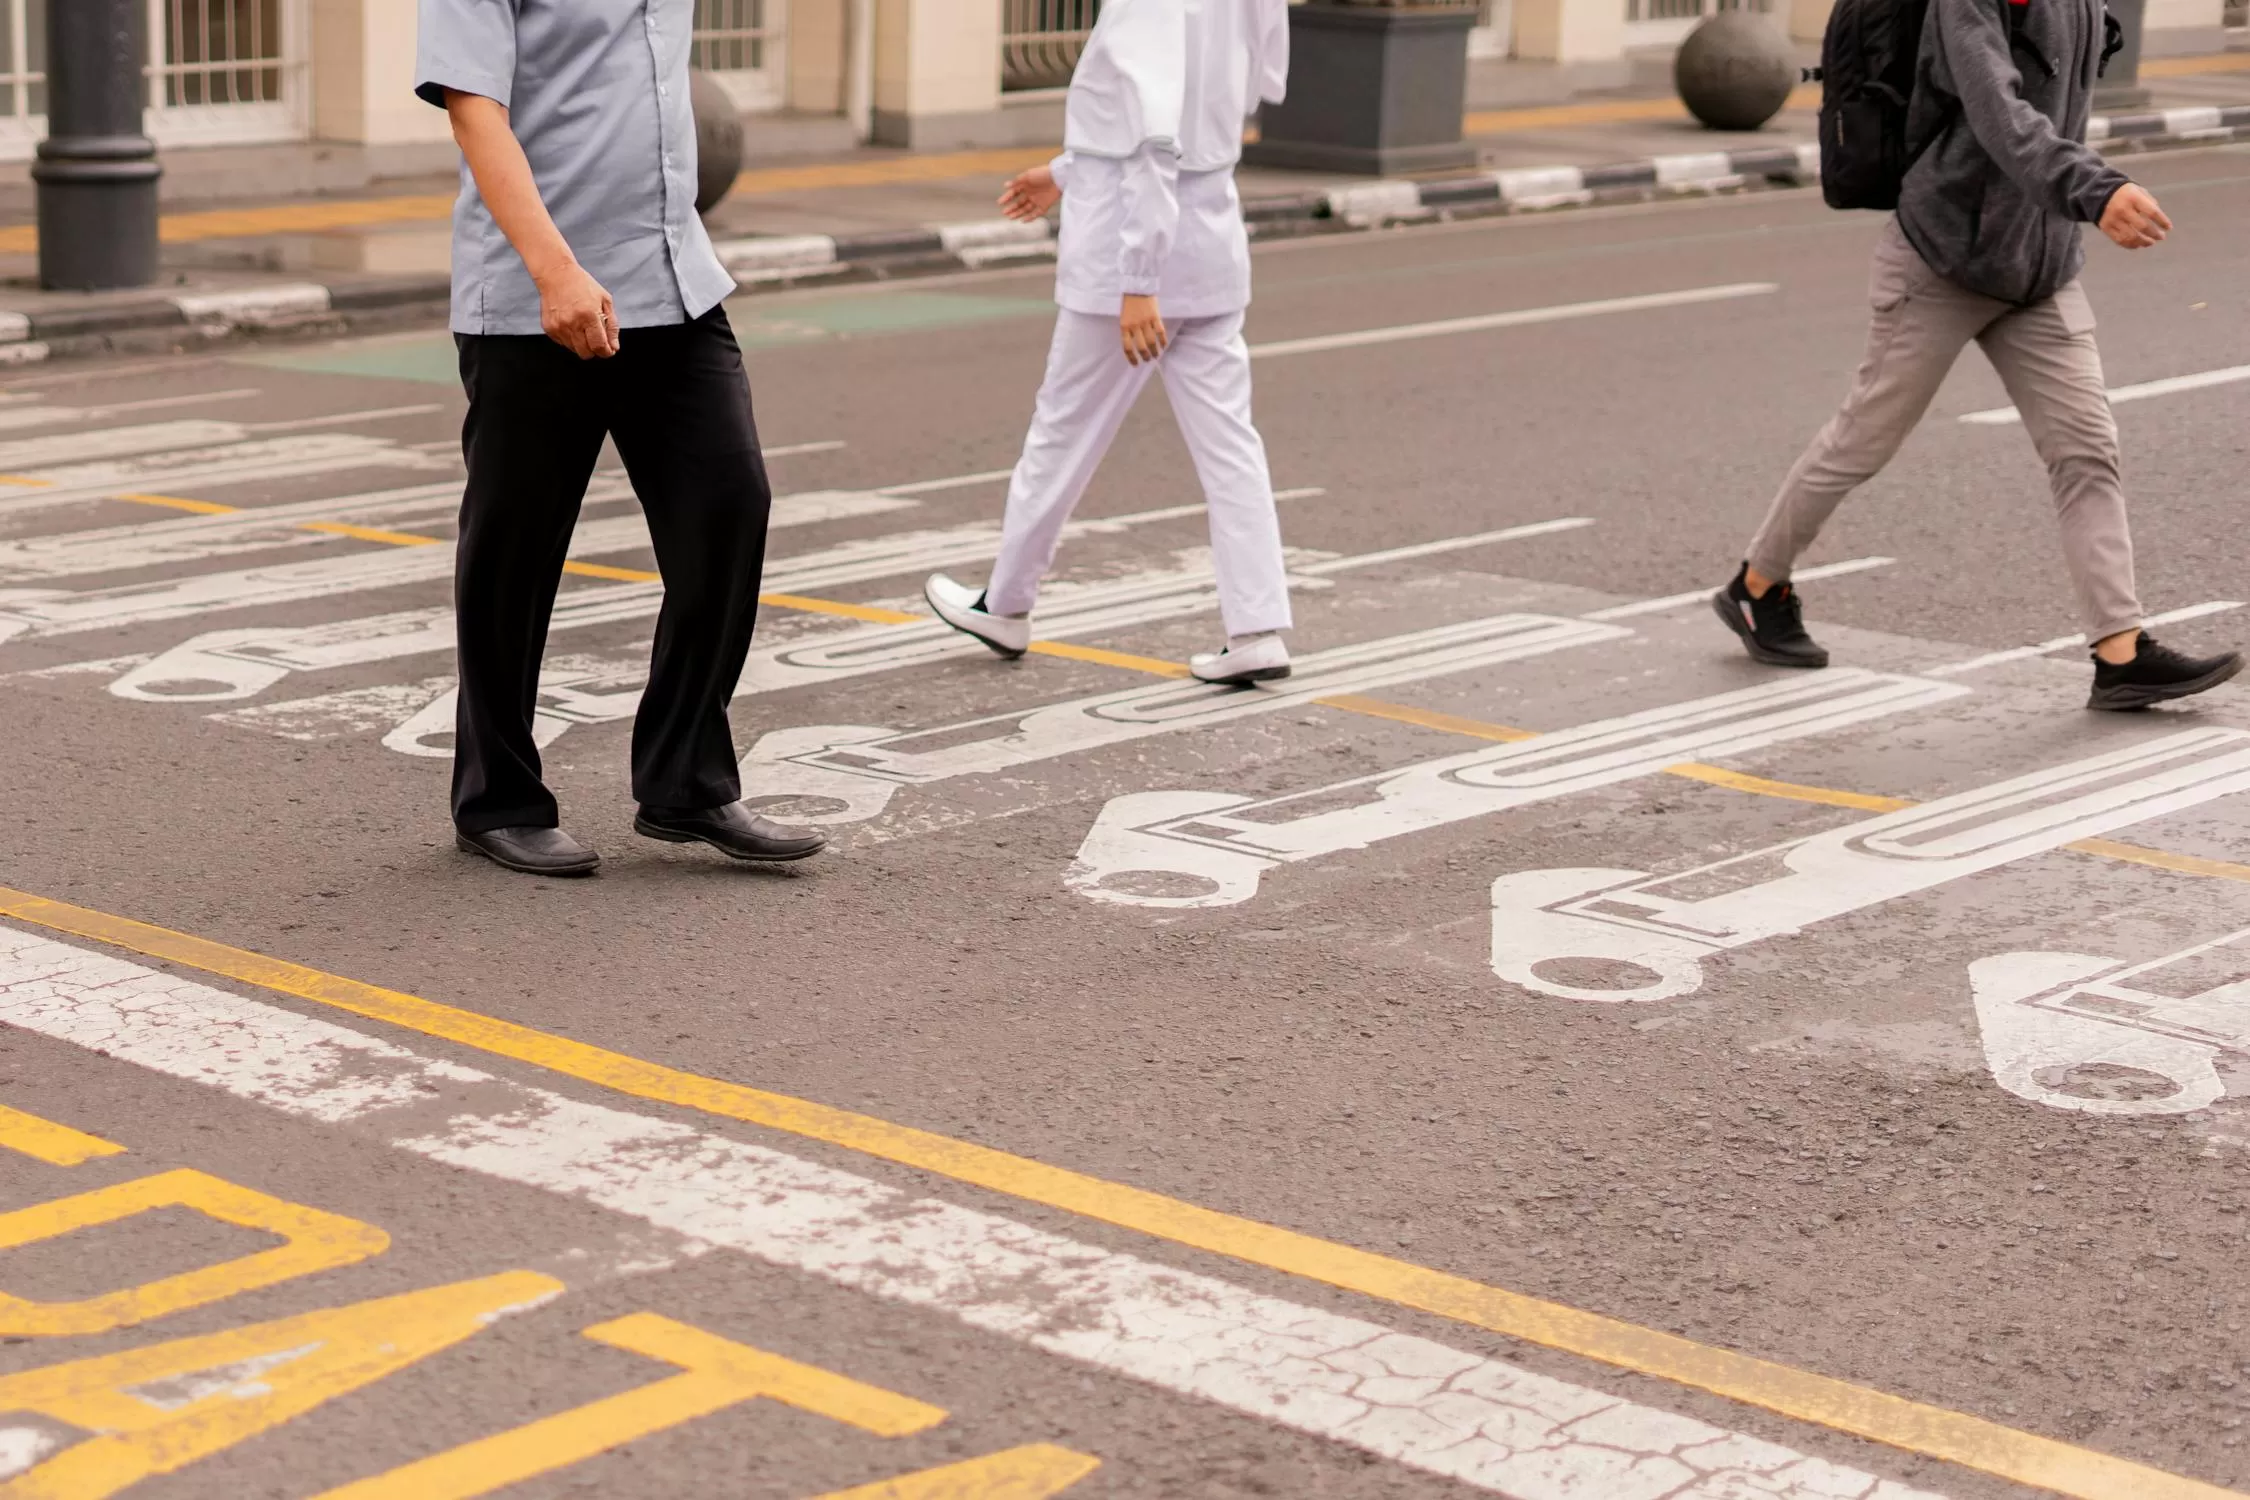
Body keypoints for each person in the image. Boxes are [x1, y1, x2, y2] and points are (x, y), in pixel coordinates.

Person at [1713, 0, 2241, 711]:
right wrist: (2097, 189)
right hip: (1942, 260)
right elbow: (2001, 118)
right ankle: (1756, 587)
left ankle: (2121, 654)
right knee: (1860, 441)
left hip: (2039, 269)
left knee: (2086, 450)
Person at [414, 0, 826, 875]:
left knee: (729, 506)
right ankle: (498, 799)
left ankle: (686, 781)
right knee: (513, 556)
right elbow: (472, 105)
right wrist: (553, 269)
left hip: (673, 278)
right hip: (537, 298)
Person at [923, 0, 1297, 685]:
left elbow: (1154, 143)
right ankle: (1257, 627)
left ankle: (1004, 605)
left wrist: (1139, 283)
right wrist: (1064, 172)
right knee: (1230, 446)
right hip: (1210, 242)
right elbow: (1190, 114)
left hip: (1130, 260)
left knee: (1062, 433)